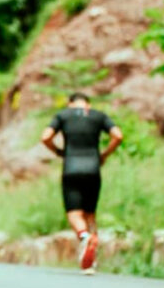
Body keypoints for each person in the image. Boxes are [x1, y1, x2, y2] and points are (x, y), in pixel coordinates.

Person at [41, 92, 123, 274]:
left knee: (74, 214)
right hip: (93, 169)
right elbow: (118, 135)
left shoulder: (63, 115)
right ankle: (92, 261)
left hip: (71, 168)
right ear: (88, 103)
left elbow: (45, 137)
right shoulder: (99, 116)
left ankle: (84, 237)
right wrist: (104, 155)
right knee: (90, 214)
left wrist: (59, 152)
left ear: (70, 103)